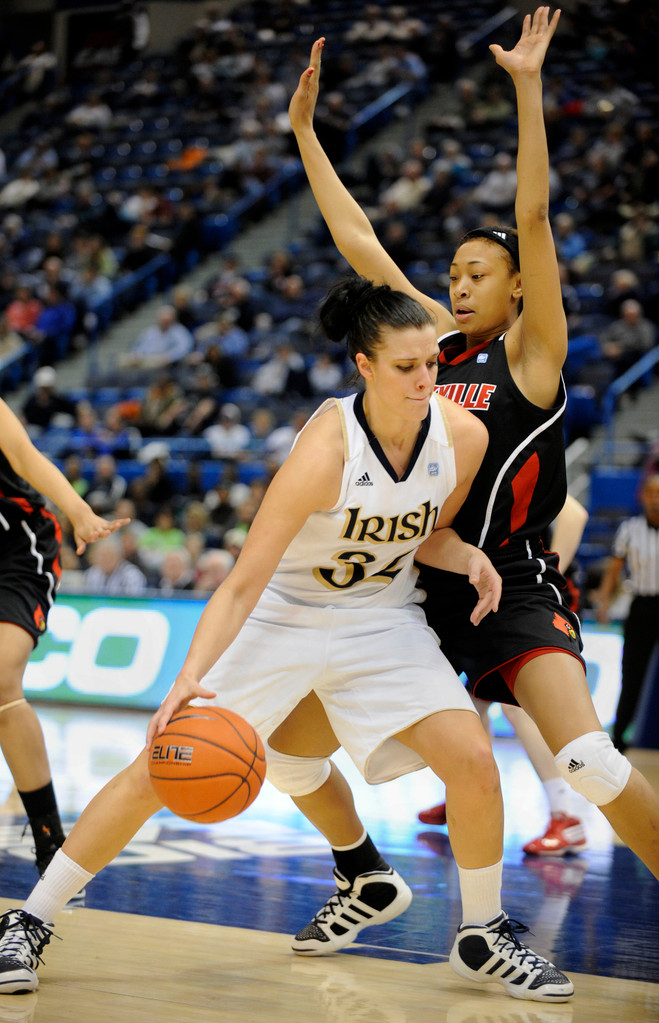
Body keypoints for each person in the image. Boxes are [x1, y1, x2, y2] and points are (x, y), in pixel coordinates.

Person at [0, 277, 572, 1003]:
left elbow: (429, 533)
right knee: (160, 764)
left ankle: (480, 932)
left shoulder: (462, 434)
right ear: (363, 366)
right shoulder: (325, 449)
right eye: (406, 367)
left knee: (471, 759)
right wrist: (187, 679)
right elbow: (242, 582)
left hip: (380, 619)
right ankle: (31, 920)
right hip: (284, 614)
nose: (428, 378)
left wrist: (467, 556)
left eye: (432, 361)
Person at [283, 5, 659, 956]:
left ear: (518, 287)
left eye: (478, 272)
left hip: (515, 577)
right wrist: (304, 139)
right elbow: (361, 244)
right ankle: (363, 872)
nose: (457, 283)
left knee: (587, 757)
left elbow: (532, 215)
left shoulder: (532, 359)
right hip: (416, 582)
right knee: (289, 741)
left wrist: (526, 90)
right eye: (452, 271)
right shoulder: (431, 350)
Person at [419, 494, 591, 857]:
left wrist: (548, 570)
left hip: (523, 590)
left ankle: (568, 815)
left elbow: (573, 513)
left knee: (518, 706)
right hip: (478, 589)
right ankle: (464, 794)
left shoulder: (503, 450)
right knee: (467, 700)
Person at [0, 398, 128, 879]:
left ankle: (50, 842)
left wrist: (78, 511)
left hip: (16, 549)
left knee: (1, 681)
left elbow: (26, 456)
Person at [595, 473, 659, 753]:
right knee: (632, 674)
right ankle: (619, 741)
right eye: (651, 493)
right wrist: (604, 602)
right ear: (642, 497)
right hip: (642, 607)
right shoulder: (630, 529)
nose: (656, 499)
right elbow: (614, 570)